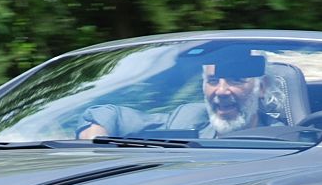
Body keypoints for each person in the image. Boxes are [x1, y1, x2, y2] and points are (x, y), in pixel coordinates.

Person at [78, 47, 284, 139]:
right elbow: (109, 114)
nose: (221, 91)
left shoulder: (287, 142)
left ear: (262, 87)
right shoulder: (187, 119)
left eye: (236, 80)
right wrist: (95, 140)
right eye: (212, 81)